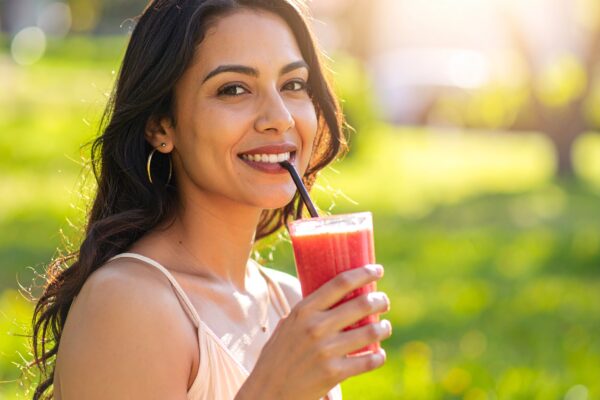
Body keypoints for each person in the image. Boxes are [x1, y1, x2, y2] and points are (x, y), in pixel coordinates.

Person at [30, 0, 392, 399]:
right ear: (160, 126)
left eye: (293, 85)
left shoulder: (289, 299)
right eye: (233, 89)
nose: (280, 117)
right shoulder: (128, 304)